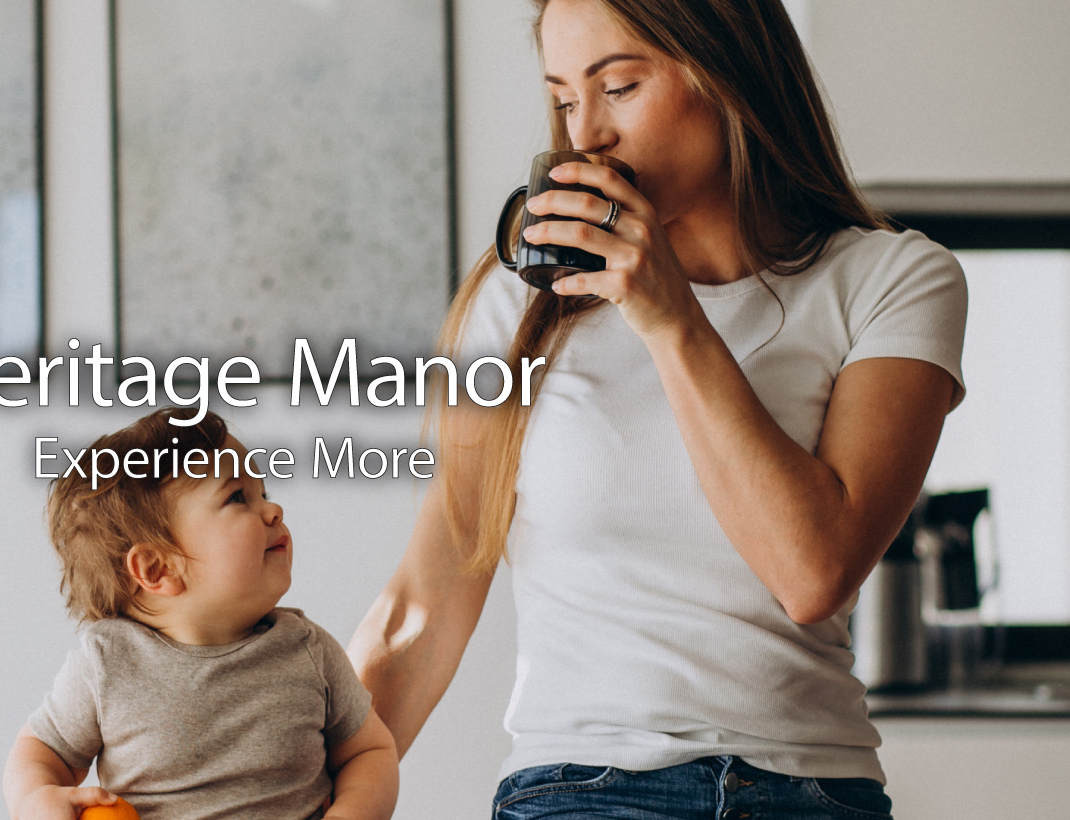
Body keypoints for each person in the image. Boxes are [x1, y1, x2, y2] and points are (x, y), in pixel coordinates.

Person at [348, 0, 965, 818]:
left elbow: (812, 570)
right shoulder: (519, 308)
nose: (586, 137)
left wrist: (670, 317)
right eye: (567, 100)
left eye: (622, 87)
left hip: (809, 793)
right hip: (578, 791)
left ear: (727, 75)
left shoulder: (893, 281)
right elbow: (418, 612)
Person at [4, 408, 400, 820]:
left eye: (262, 492)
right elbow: (39, 752)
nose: (273, 509)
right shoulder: (108, 664)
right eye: (237, 498)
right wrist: (35, 801)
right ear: (158, 569)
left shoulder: (307, 650)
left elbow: (370, 750)